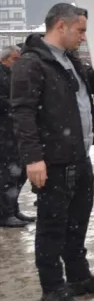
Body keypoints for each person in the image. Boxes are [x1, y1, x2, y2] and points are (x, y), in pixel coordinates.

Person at [10, 3, 94, 301]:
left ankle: (79, 277)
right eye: (80, 30)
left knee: (78, 223)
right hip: (53, 161)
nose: (83, 37)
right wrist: (33, 158)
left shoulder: (69, 60)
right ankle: (53, 288)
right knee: (52, 227)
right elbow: (23, 113)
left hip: (80, 157)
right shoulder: (32, 63)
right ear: (61, 26)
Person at [1, 44, 35, 227]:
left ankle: (13, 209)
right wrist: (17, 104)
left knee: (19, 174)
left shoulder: (14, 76)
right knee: (8, 176)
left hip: (15, 133)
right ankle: (5, 214)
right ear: (4, 59)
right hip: (4, 134)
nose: (18, 62)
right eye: (15, 59)